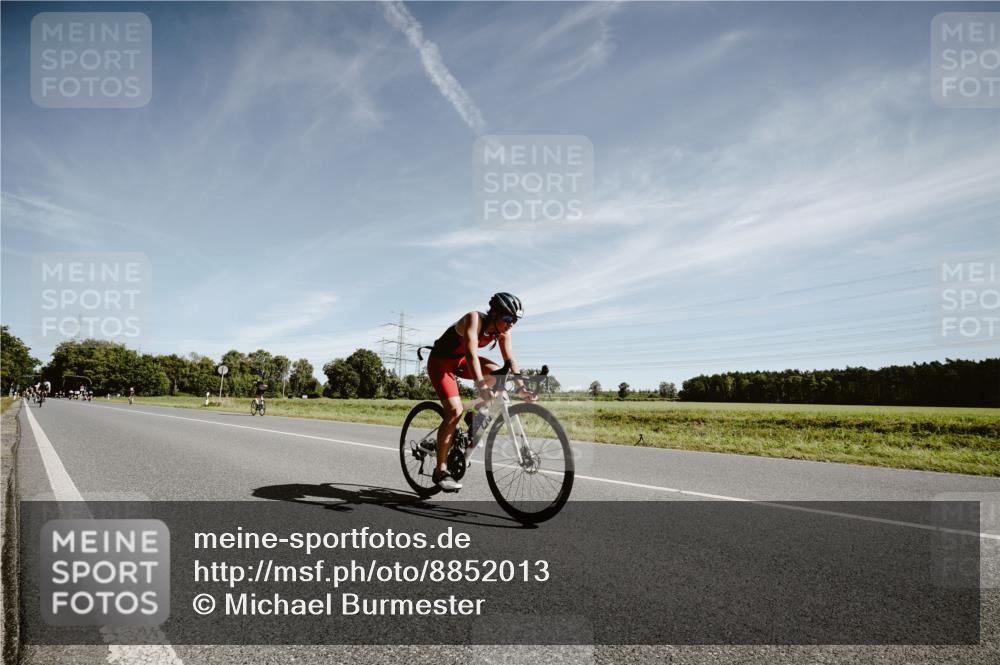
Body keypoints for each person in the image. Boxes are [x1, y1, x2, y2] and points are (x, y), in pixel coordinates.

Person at [426, 292, 532, 492]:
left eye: (515, 320)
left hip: (460, 362)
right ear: (494, 314)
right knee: (454, 411)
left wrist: (521, 388)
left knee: (498, 373)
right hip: (441, 363)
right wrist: (481, 385)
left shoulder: (503, 332)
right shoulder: (473, 319)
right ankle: (440, 470)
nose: (511, 324)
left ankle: (475, 418)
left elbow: (510, 361)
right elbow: (471, 353)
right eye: (508, 318)